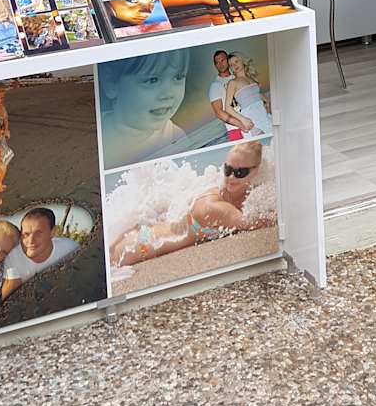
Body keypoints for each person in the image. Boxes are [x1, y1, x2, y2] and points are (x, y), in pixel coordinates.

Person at [109, 140, 272, 268]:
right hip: (139, 245)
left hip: (146, 232)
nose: (231, 177)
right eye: (228, 170)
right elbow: (253, 223)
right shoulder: (214, 206)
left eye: (240, 172)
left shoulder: (234, 193)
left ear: (257, 170)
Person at [100, 50, 191, 169]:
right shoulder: (98, 130)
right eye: (152, 80)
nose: (168, 94)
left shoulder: (175, 138)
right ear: (111, 83)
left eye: (178, 77)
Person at [0, 207, 78, 297]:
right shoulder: (13, 255)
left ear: (53, 232)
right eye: (26, 234)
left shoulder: (70, 249)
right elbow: (8, 298)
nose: (31, 241)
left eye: (38, 233)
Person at [224, 53, 272, 137]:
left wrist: (268, 110)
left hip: (264, 117)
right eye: (231, 65)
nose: (234, 65)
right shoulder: (232, 83)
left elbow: (260, 97)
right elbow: (227, 108)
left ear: (242, 61)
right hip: (251, 121)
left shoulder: (251, 78)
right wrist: (243, 120)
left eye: (236, 61)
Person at [209, 48, 248, 140]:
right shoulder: (216, 86)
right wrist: (240, 124)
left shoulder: (238, 77)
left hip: (250, 120)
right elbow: (219, 113)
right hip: (235, 129)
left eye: (222, 60)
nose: (220, 64)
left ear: (228, 60)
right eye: (217, 62)